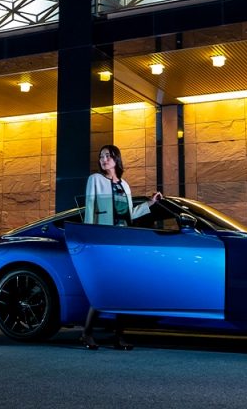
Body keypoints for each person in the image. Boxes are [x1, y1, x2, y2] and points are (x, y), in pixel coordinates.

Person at [80, 144, 163, 351]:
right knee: (102, 288)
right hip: (104, 242)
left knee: (123, 288)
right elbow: (90, 210)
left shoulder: (124, 185)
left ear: (116, 159)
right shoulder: (95, 180)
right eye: (101, 156)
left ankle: (119, 336)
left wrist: (149, 204)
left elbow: (129, 214)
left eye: (108, 156)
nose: (104, 160)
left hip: (123, 242)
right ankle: (87, 332)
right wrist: (90, 239)